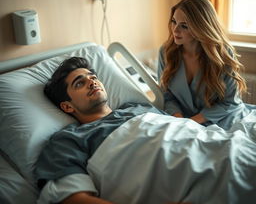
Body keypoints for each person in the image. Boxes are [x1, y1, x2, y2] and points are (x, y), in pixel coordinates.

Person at [35, 56, 256, 204]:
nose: (92, 82)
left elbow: (181, 132)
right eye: (79, 83)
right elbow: (73, 198)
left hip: (231, 151)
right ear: (67, 106)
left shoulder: (136, 107)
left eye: (93, 77)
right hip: (196, 182)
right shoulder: (68, 140)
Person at [158, 0, 255, 130]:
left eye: (184, 26)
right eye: (174, 21)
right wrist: (179, 119)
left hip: (221, 118)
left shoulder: (222, 55)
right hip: (181, 120)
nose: (175, 30)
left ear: (201, 27)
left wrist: (192, 122)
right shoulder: (166, 53)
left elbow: (229, 102)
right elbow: (167, 96)